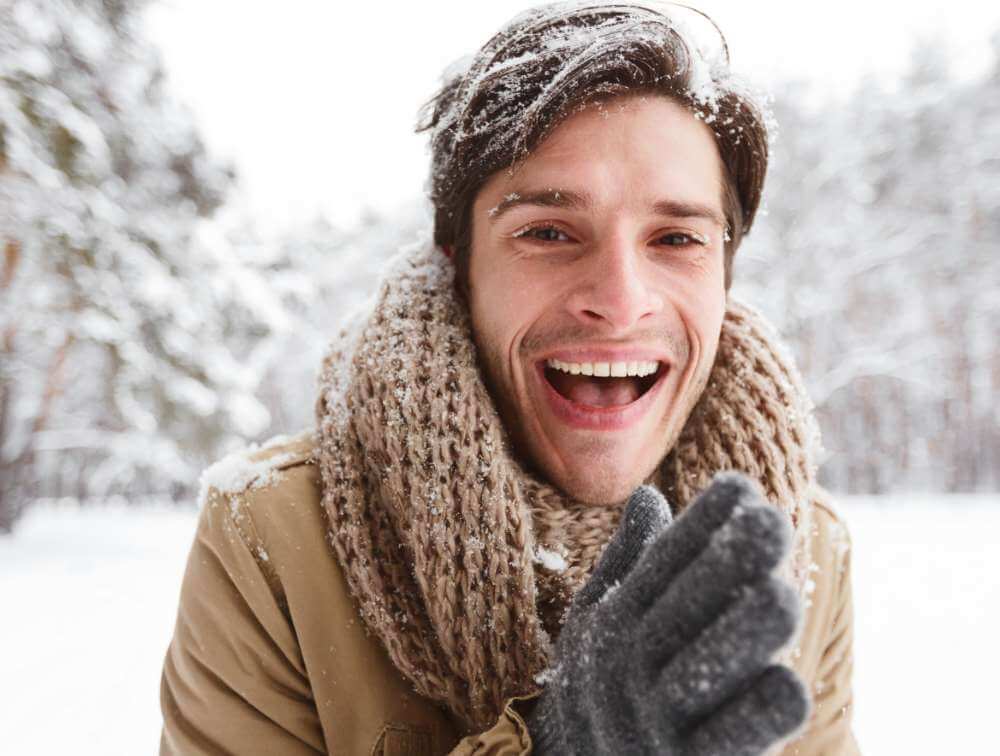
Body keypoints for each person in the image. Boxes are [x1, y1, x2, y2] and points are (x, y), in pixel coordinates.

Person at [160, 2, 860, 754]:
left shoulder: (801, 544)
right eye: (548, 233)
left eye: (675, 238)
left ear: (724, 275)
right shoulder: (276, 538)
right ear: (459, 264)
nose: (620, 300)